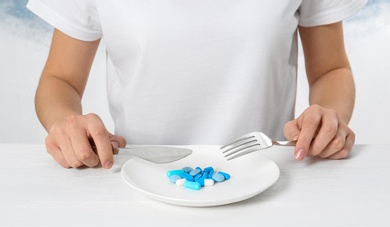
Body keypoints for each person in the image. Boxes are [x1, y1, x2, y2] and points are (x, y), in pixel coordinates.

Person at [27, 0, 367, 169]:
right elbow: (60, 80)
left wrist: (329, 116)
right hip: (132, 181)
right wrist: (65, 124)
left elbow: (331, 70)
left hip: (271, 179)